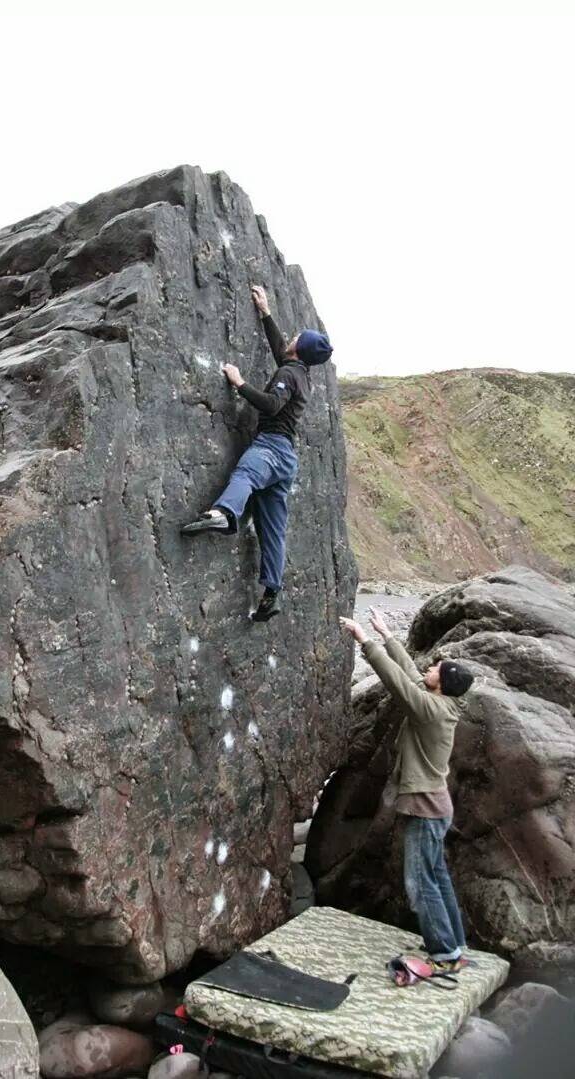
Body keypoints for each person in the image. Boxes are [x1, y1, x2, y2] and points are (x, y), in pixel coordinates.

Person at [181, 285, 332, 622]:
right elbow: (282, 350)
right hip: (286, 460)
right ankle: (271, 593)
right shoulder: (300, 373)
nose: (291, 337)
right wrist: (265, 312)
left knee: (246, 474)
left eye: (297, 337)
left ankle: (223, 514)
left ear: (300, 349)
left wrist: (238, 382)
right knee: (272, 529)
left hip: (270, 448)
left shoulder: (287, 374)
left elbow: (272, 403)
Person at [339, 608, 474, 973]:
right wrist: (386, 634)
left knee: (420, 883)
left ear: (442, 684)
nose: (429, 669)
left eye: (436, 670)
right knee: (437, 875)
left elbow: (398, 683)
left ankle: (444, 953)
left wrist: (364, 641)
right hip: (435, 808)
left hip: (426, 810)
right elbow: (412, 677)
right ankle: (455, 944)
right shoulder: (440, 702)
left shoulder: (430, 710)